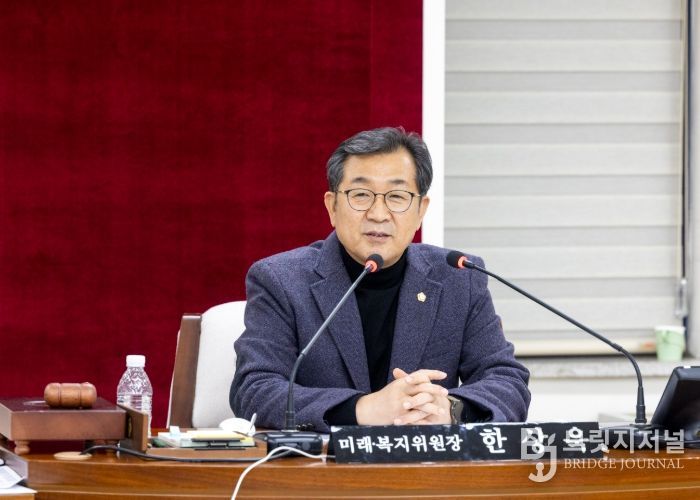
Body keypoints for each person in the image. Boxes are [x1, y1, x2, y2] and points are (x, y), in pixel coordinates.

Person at [230, 127, 530, 432]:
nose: (378, 213)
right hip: (324, 461)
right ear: (332, 206)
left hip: (425, 459)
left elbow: (508, 382)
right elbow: (254, 389)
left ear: (420, 211)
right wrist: (364, 408)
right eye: (361, 195)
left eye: (397, 196)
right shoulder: (280, 280)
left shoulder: (459, 278)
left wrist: (450, 409)